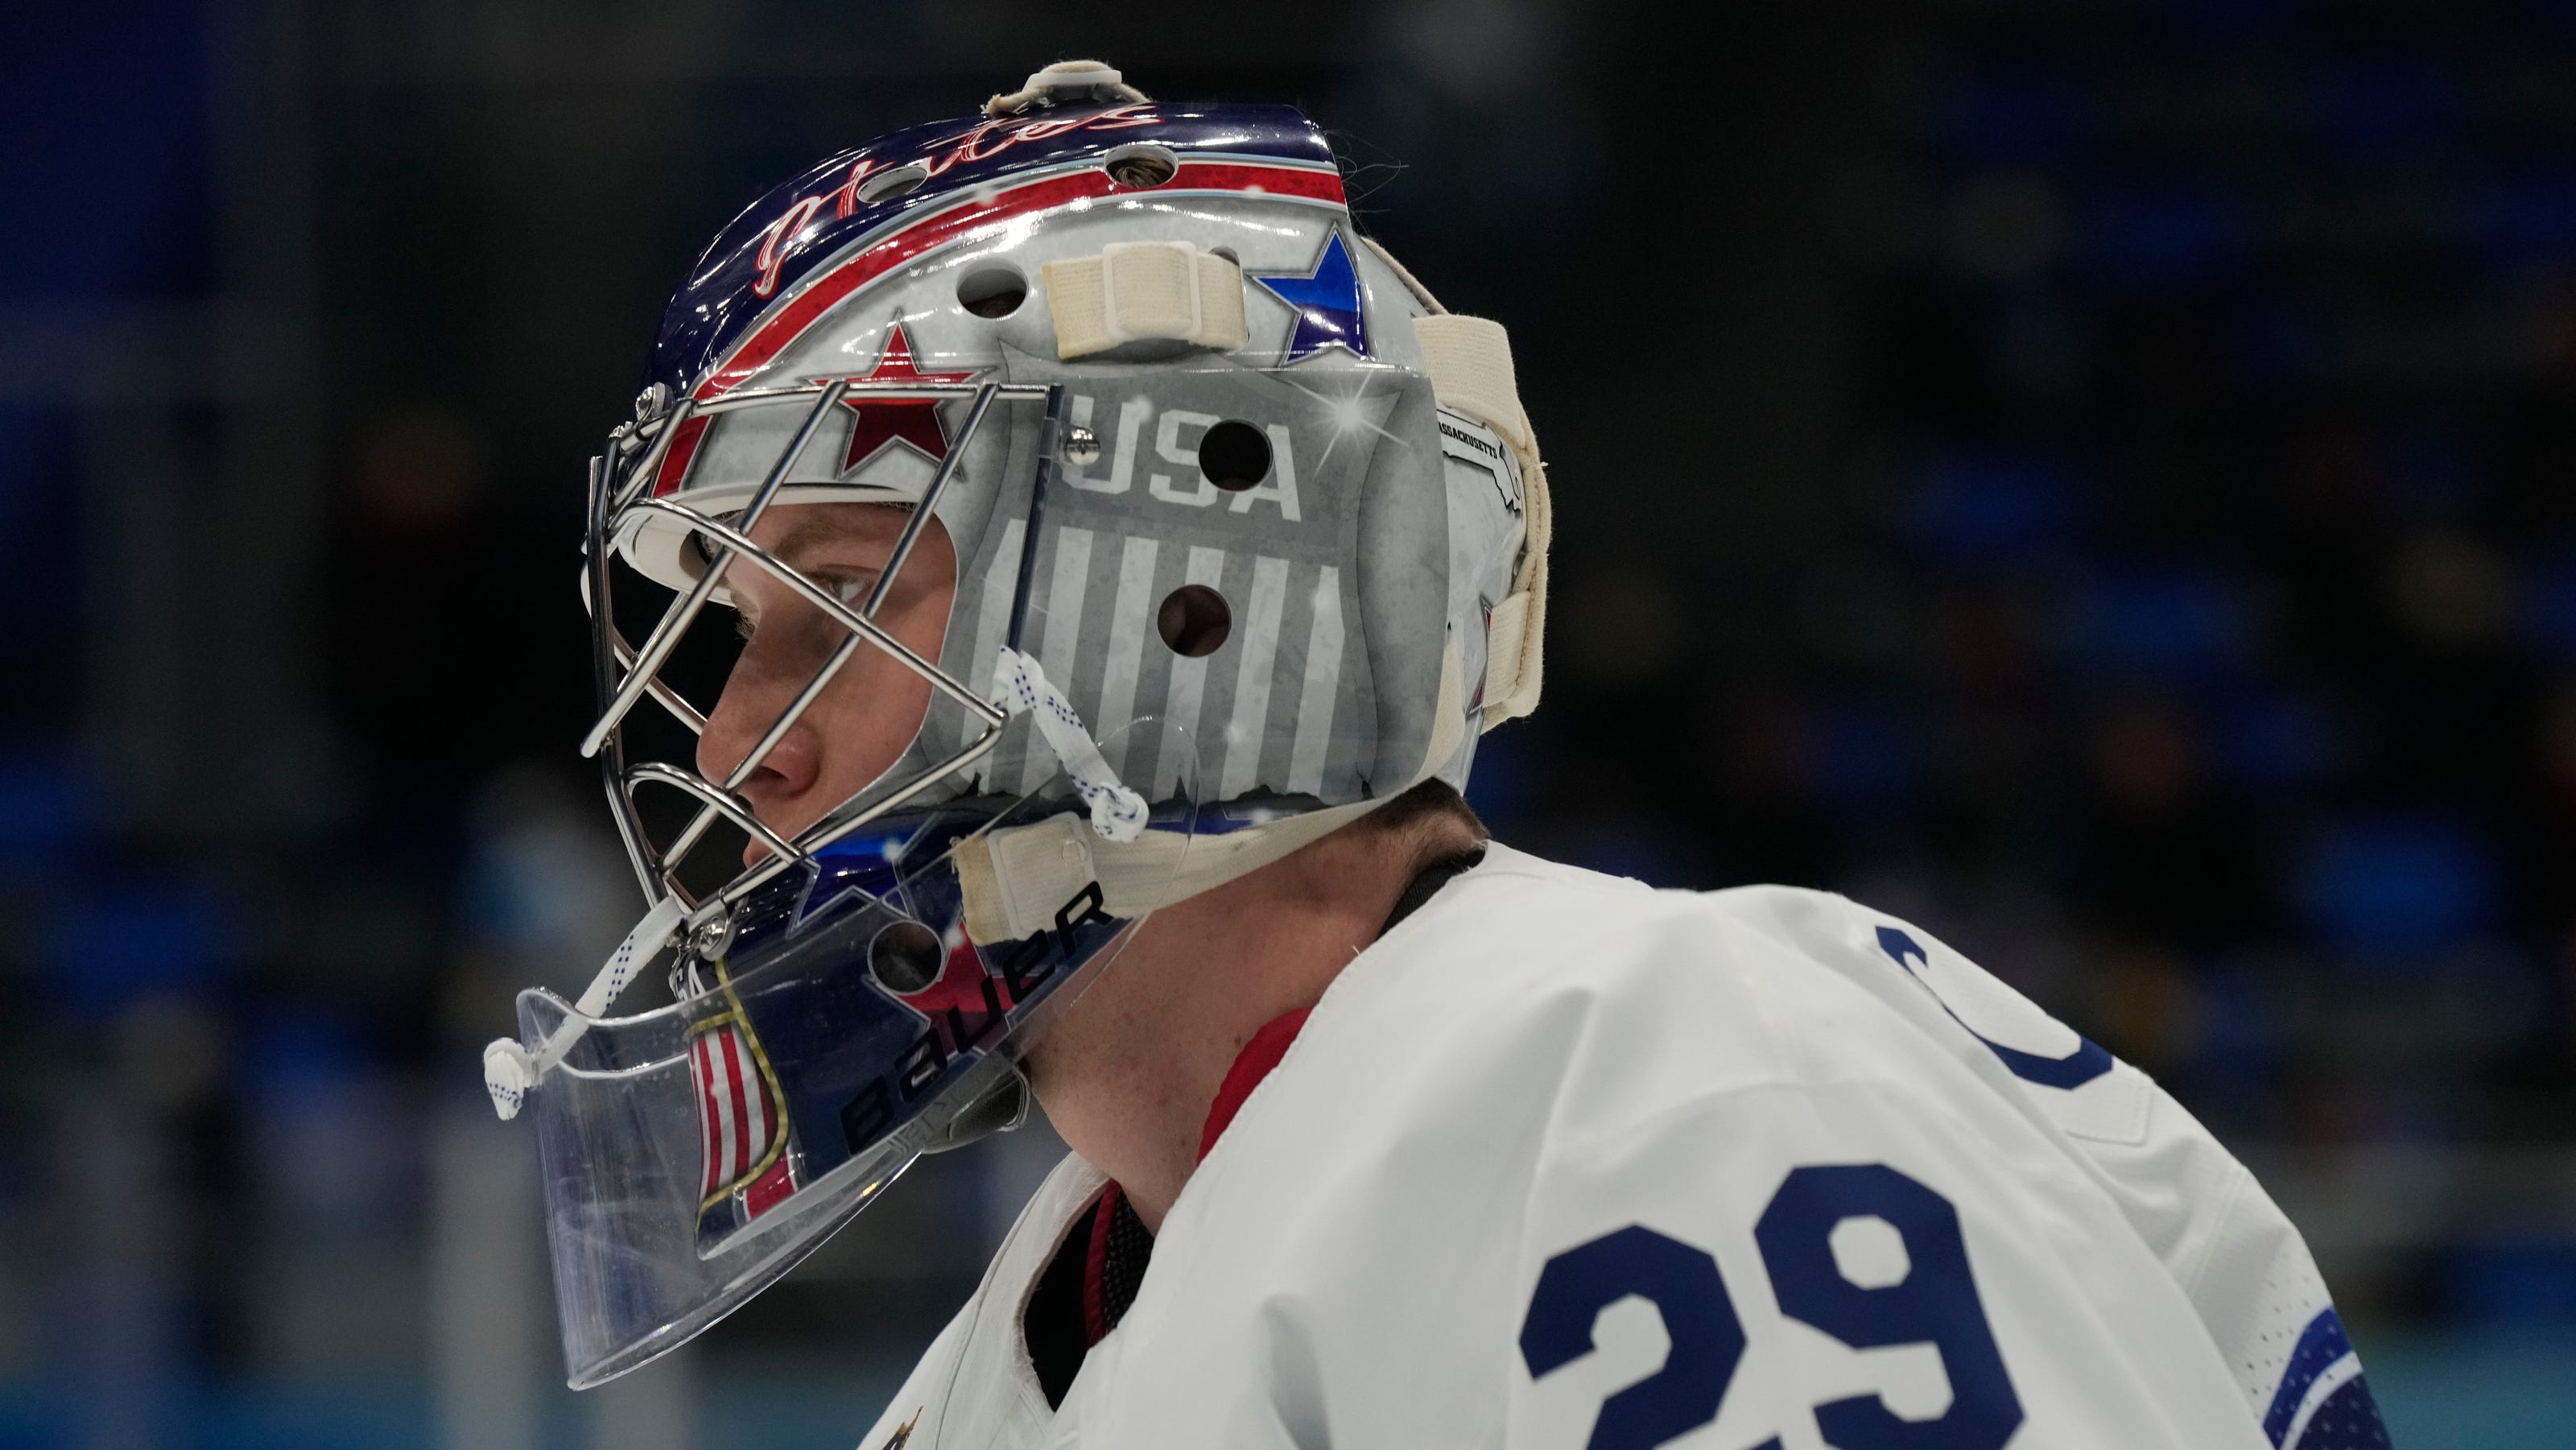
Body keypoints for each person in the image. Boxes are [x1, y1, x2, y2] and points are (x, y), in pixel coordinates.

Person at [481, 61, 2394, 1450]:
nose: (740, 746)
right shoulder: (1038, 1329)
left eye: (836, 604)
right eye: (731, 650)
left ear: (1183, 589)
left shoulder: (1649, 1087)